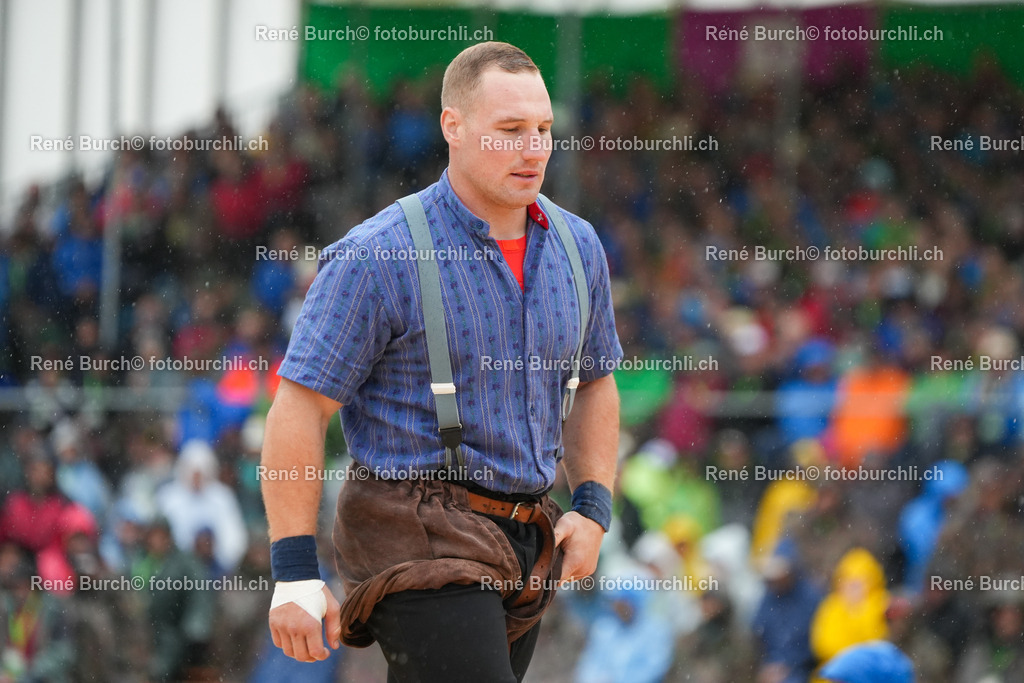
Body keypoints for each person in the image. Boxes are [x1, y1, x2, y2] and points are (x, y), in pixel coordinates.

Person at [261, 41, 622, 682]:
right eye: (509, 131)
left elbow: (594, 382)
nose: (533, 148)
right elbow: (300, 404)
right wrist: (292, 572)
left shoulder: (578, 246)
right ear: (452, 128)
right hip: (409, 527)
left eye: (542, 129)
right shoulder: (375, 256)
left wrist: (592, 508)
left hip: (524, 539)